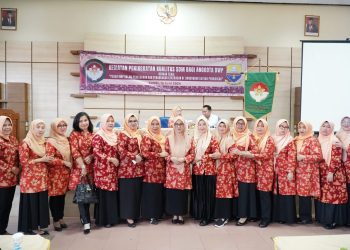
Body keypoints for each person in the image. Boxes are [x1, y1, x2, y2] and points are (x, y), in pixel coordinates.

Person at [18, 119, 52, 235]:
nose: (41, 130)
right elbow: (24, 162)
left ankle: (38, 226)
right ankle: (30, 228)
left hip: (42, 178)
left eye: (43, 127)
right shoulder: (26, 142)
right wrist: (41, 159)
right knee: (32, 203)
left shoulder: (44, 142)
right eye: (38, 127)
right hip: (30, 180)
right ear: (32, 128)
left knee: (40, 203)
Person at [316, 120, 347, 229]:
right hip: (322, 172)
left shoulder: (334, 140)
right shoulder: (318, 140)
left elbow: (336, 159)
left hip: (333, 173)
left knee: (332, 198)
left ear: (332, 129)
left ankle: (331, 221)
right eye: (323, 126)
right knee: (324, 196)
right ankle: (323, 219)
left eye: (328, 127)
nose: (325, 129)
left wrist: (331, 172)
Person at [190, 115, 220, 226]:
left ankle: (207, 217)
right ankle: (199, 214)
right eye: (199, 124)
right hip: (197, 170)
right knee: (199, 193)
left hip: (209, 170)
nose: (201, 127)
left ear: (207, 125)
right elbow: (191, 154)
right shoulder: (194, 139)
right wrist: (194, 159)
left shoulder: (211, 138)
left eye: (204, 124)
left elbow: (217, 153)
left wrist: (203, 157)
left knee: (208, 194)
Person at [68, 112, 95, 234]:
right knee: (80, 196)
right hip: (79, 168)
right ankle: (86, 221)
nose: (84, 123)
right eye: (81, 121)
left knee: (87, 195)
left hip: (90, 169)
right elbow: (75, 152)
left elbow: (96, 150)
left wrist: (92, 155)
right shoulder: (74, 134)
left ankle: (85, 219)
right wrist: (83, 166)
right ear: (77, 123)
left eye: (85, 120)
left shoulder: (92, 134)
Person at [229, 116, 258, 226]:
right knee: (234, 191)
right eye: (238, 123)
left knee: (244, 192)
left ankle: (243, 215)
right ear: (235, 124)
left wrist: (241, 152)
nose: (240, 126)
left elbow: (255, 151)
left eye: (242, 124)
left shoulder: (249, 136)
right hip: (232, 168)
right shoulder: (231, 135)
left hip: (246, 169)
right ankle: (235, 213)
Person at [164, 116, 193, 224]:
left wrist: (184, 159)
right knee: (173, 193)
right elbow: (165, 153)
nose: (179, 126)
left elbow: (192, 154)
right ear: (173, 126)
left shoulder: (189, 138)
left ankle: (180, 215)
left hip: (183, 169)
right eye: (176, 124)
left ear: (184, 125)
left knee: (182, 194)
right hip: (172, 169)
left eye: (181, 124)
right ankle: (174, 214)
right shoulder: (169, 138)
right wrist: (171, 158)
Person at [92, 114, 119, 228]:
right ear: (103, 122)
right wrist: (110, 159)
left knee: (112, 194)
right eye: (108, 121)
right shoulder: (99, 136)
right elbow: (96, 152)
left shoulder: (114, 135)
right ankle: (104, 219)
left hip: (113, 169)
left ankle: (113, 218)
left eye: (112, 121)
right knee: (104, 195)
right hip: (102, 169)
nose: (110, 123)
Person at [117, 113, 144, 228]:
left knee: (136, 193)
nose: (133, 123)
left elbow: (144, 148)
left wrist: (141, 156)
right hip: (126, 170)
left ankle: (135, 214)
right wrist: (134, 157)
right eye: (130, 121)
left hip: (138, 169)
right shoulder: (123, 134)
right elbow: (121, 150)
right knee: (128, 194)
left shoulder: (139, 134)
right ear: (126, 123)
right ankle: (128, 216)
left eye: (135, 121)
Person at [140, 116, 167, 225]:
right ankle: (151, 215)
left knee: (159, 192)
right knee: (151, 192)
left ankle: (158, 214)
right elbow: (145, 153)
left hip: (161, 170)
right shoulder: (147, 137)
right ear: (149, 125)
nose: (155, 126)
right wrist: (160, 154)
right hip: (151, 170)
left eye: (157, 124)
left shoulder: (162, 137)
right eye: (153, 124)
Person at [46, 118, 72, 232]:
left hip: (65, 173)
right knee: (55, 197)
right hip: (55, 174)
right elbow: (49, 159)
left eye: (64, 125)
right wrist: (64, 162)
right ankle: (55, 220)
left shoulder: (66, 140)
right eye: (59, 126)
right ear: (54, 128)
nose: (62, 127)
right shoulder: (51, 141)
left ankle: (60, 218)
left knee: (62, 197)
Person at [294, 121, 322, 224]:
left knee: (305, 195)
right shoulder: (296, 139)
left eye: (304, 127)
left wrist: (304, 157)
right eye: (300, 127)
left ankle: (306, 218)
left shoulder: (312, 140)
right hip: (297, 170)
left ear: (309, 129)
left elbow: (318, 156)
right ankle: (302, 216)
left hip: (308, 172)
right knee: (301, 195)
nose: (301, 129)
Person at [213, 119, 239, 228]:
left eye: (224, 126)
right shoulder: (217, 138)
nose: (222, 128)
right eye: (220, 126)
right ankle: (220, 215)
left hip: (226, 169)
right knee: (220, 192)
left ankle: (225, 216)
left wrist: (221, 156)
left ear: (227, 128)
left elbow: (234, 155)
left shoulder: (229, 139)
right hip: (218, 168)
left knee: (225, 192)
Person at [272, 119, 297, 224]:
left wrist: (290, 171)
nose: (283, 129)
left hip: (285, 170)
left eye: (286, 127)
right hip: (273, 169)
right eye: (281, 126)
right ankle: (277, 217)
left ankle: (288, 218)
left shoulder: (290, 140)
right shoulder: (272, 138)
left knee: (286, 193)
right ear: (277, 127)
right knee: (276, 193)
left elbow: (292, 156)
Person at [252, 119, 275, 228]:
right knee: (257, 194)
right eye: (258, 126)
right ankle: (259, 215)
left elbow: (266, 155)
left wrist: (252, 155)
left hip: (266, 170)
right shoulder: (253, 138)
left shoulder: (269, 139)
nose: (260, 128)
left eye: (262, 126)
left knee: (265, 195)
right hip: (255, 170)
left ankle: (266, 218)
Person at [0, 116, 20, 235]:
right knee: (1, 206)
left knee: (7, 206)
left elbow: (17, 156)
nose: (7, 127)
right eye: (4, 125)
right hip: (1, 179)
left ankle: (2, 229)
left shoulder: (13, 139)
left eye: (9, 125)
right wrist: (11, 168)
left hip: (12, 179)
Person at [335, 116, 350, 226]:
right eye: (343, 122)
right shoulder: (337, 135)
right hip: (340, 170)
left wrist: (344, 146)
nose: (346, 124)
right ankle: (343, 220)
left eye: (348, 122)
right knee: (342, 195)